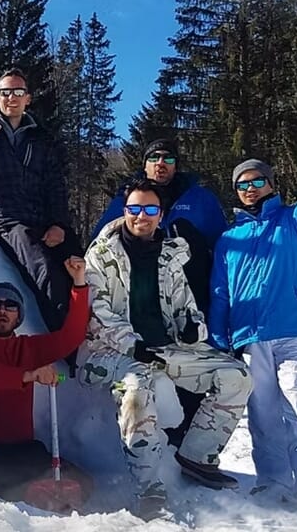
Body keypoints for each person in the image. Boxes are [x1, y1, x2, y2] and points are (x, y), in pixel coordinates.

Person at [80, 179, 251, 519]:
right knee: (137, 390)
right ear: (124, 211)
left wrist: (192, 328)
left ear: (161, 214)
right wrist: (133, 345)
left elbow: (186, 306)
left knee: (236, 376)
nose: (141, 216)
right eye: (134, 208)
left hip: (163, 348)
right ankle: (149, 490)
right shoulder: (101, 254)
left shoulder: (171, 255)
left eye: (150, 209)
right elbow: (97, 313)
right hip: (110, 351)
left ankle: (197, 456)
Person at [92, 138, 227, 447]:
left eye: (168, 158)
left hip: (189, 297)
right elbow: (102, 238)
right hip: (140, 300)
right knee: (147, 373)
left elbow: (222, 249)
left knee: (192, 373)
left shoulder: (199, 199)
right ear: (145, 164)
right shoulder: (127, 197)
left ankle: (187, 446)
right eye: (154, 157)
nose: (161, 163)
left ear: (177, 165)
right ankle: (150, 442)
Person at [0, 68, 80, 340]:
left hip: (43, 218)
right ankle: (68, 343)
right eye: (5, 92)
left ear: (27, 98)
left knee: (80, 265)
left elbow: (55, 184)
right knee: (45, 270)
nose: (11, 97)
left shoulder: (40, 137)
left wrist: (59, 224)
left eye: (18, 92)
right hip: (8, 221)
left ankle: (95, 332)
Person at [0, 258, 92, 509]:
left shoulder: (28, 348)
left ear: (19, 317)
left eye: (11, 306)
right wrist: (28, 376)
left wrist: (79, 283)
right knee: (10, 483)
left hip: (25, 449)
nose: (2, 310)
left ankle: (54, 504)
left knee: (81, 481)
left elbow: (72, 336)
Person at [209, 159, 297, 503]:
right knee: (263, 415)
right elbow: (220, 292)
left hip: (294, 331)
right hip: (249, 338)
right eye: (242, 184)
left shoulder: (295, 220)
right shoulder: (228, 239)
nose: (249, 189)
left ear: (271, 183)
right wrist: (218, 337)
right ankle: (272, 482)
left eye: (256, 181)